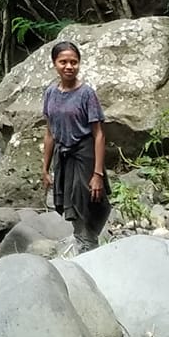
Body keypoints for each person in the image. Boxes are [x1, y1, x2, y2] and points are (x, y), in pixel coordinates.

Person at [39, 40, 111, 247]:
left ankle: (88, 244)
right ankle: (85, 243)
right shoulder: (50, 93)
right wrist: (45, 168)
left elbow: (99, 134)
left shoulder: (86, 93)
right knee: (70, 201)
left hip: (85, 155)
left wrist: (97, 174)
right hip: (63, 156)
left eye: (74, 62)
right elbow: (50, 132)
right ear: (55, 64)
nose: (69, 66)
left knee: (88, 199)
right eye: (63, 62)